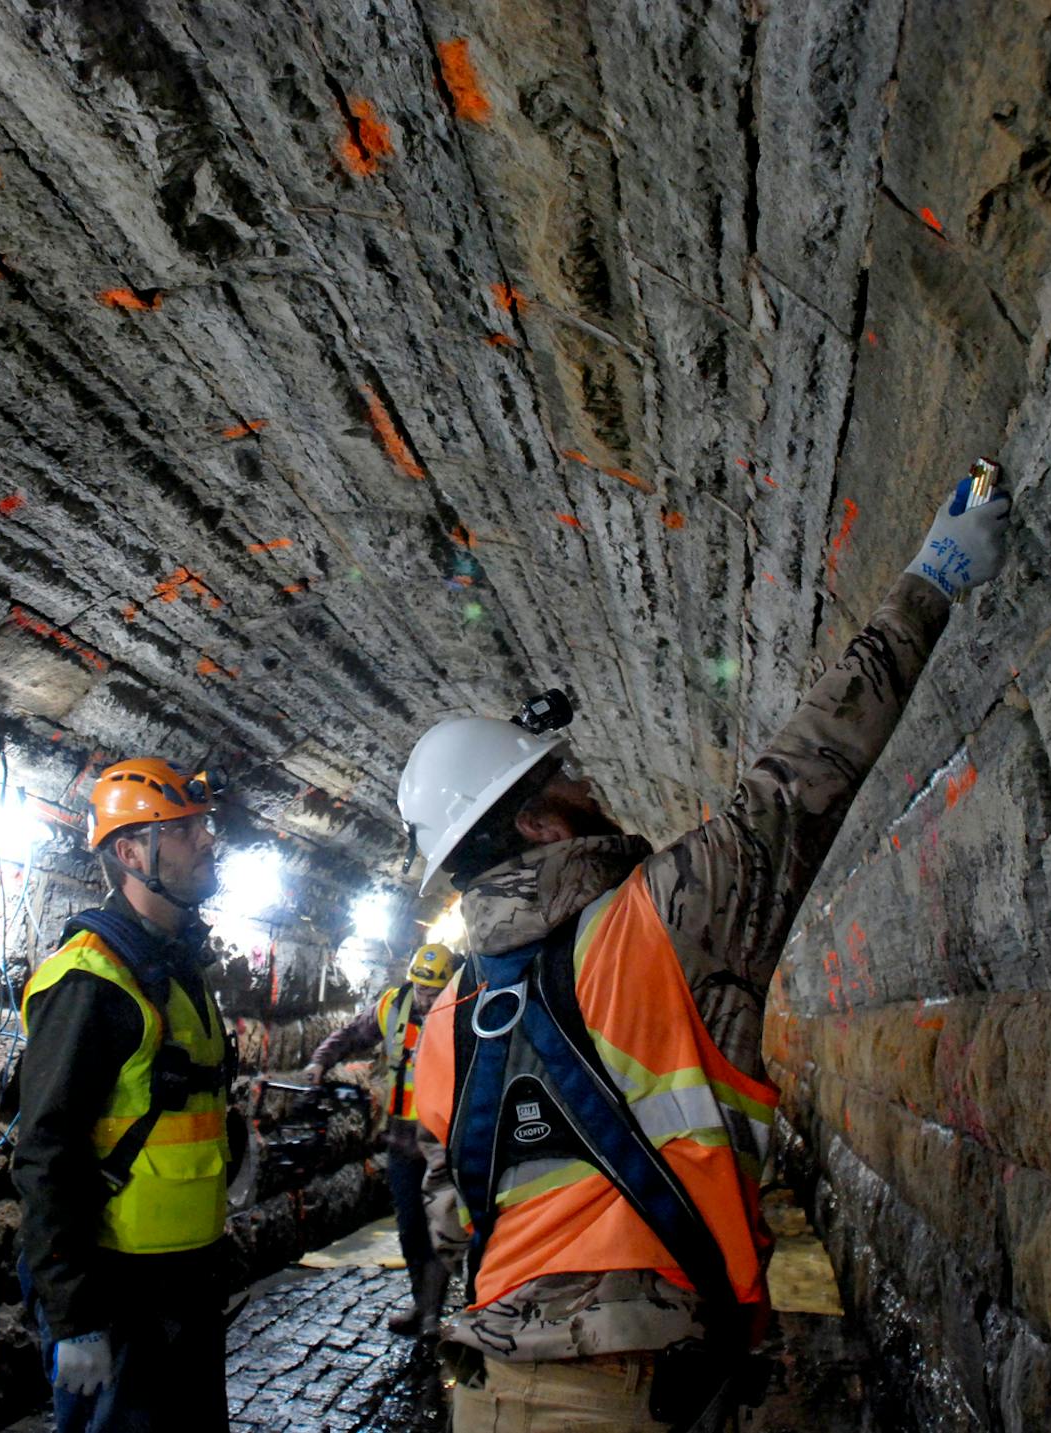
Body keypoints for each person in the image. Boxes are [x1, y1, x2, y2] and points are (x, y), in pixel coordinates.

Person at [403, 477, 1014, 1430]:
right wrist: (931, 579)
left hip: (495, 1396)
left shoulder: (445, 1023)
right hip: (634, 1391)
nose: (589, 783)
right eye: (564, 777)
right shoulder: (662, 921)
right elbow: (805, 771)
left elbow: (446, 1219)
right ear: (532, 820)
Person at [13, 758, 239, 1433]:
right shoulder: (90, 979)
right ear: (129, 850)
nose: (206, 840)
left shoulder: (178, 965)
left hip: (187, 1279)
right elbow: (44, 1150)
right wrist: (72, 1316)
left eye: (202, 826)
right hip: (119, 1288)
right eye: (183, 829)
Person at [303, 941, 459, 1336]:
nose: (425, 999)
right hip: (404, 1138)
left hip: (445, 1138)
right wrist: (321, 1059)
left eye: (433, 991)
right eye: (421, 989)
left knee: (441, 1223)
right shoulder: (394, 1005)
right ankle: (421, 1302)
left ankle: (431, 1312)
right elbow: (354, 1032)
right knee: (409, 1226)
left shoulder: (464, 1008)